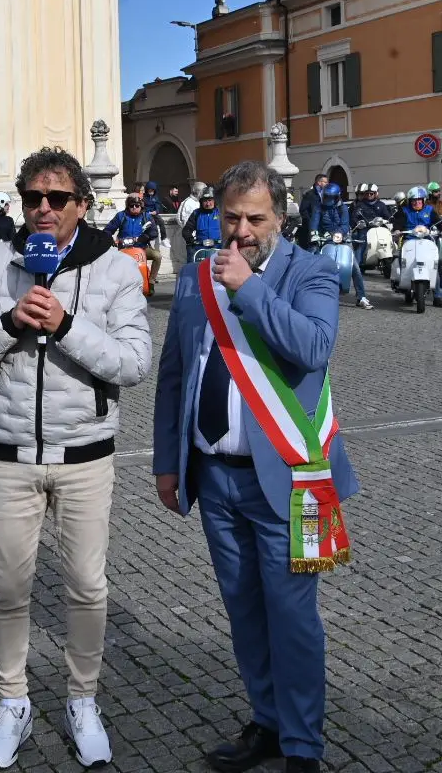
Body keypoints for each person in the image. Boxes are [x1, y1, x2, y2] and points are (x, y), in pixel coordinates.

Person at [0, 147, 151, 770]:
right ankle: (13, 701)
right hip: (10, 454)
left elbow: (135, 363)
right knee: (7, 586)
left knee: (86, 586)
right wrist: (8, 322)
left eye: (58, 198)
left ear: (81, 205)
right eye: (33, 197)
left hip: (87, 453)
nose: (43, 209)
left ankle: (82, 700)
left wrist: (64, 326)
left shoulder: (114, 268)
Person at [151, 161, 356, 773]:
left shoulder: (311, 272)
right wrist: (169, 462)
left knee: (292, 617)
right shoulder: (194, 277)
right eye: (231, 216)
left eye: (255, 218)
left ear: (281, 218)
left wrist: (249, 287)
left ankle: (302, 746)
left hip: (293, 480)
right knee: (243, 609)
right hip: (215, 476)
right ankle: (266, 722)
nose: (240, 230)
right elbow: (174, 375)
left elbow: (314, 346)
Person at [315, 184, 368, 309]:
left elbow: (345, 224)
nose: (328, 200)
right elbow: (315, 222)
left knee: (354, 267)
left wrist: (340, 233)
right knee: (313, 261)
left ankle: (362, 297)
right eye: (326, 197)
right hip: (326, 239)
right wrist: (314, 232)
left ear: (337, 197)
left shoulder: (343, 208)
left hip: (343, 239)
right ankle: (313, 293)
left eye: (331, 197)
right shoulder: (319, 208)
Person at [394, 186, 442, 306]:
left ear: (424, 200)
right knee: (402, 258)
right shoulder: (404, 211)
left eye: (419, 200)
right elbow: (398, 222)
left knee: (434, 266)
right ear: (410, 201)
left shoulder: (430, 210)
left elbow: (438, 222)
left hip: (427, 240)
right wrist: (397, 230)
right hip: (409, 240)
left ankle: (437, 296)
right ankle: (404, 283)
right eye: (414, 200)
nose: (416, 202)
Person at [111, 191, 163, 285]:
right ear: (128, 206)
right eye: (131, 205)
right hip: (124, 249)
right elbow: (109, 229)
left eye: (137, 205)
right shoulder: (121, 216)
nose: (134, 207)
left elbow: (154, 231)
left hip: (142, 247)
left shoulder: (146, 216)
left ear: (141, 206)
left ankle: (151, 281)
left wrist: (145, 237)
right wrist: (108, 238)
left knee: (157, 256)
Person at [349, 183, 391, 280]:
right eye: (367, 193)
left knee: (387, 240)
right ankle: (357, 265)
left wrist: (387, 221)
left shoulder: (381, 205)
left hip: (379, 228)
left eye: (371, 193)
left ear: (376, 194)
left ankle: (388, 258)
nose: (369, 195)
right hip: (365, 228)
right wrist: (358, 223)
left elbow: (387, 216)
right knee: (362, 243)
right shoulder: (360, 205)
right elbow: (354, 217)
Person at [186, 187, 222, 259]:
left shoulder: (221, 212)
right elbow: (187, 230)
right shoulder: (196, 213)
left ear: (214, 201)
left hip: (218, 247)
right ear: (201, 202)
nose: (208, 204)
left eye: (210, 200)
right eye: (205, 201)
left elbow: (230, 227)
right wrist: (192, 241)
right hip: (201, 249)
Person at [297, 174, 330, 250]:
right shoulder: (309, 194)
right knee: (313, 248)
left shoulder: (326, 194)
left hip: (323, 227)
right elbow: (303, 210)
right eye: (325, 182)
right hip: (311, 228)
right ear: (319, 182)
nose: (327, 184)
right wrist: (311, 221)